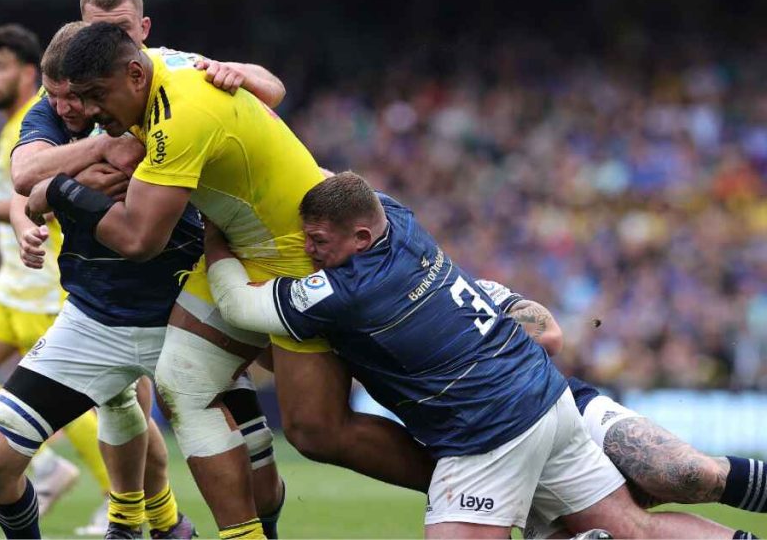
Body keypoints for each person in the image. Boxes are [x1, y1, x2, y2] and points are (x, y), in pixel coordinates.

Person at [40, 22, 438, 540]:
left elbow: (140, 239)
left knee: (315, 432)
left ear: (135, 73)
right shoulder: (161, 72)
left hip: (298, 258)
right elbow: (269, 90)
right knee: (182, 382)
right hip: (239, 248)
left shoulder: (180, 116)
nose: (91, 112)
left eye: (97, 96)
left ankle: (465, 485)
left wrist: (63, 192)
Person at [203, 171, 754, 539]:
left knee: (680, 476)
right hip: (547, 402)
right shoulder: (399, 217)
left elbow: (237, 304)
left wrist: (217, 233)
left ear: (363, 237)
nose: (307, 250)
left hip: (486, 431)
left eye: (319, 241)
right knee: (634, 528)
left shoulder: (349, 291)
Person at [0, 0, 285, 539]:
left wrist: (62, 187)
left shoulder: (175, 82)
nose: (105, 45)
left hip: (189, 309)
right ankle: (138, 522)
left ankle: (151, 523)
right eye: (94, 31)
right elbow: (25, 174)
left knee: (258, 474)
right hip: (95, 313)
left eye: (118, 31)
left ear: (142, 32)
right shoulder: (60, 99)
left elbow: (269, 89)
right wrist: (95, 155)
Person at [0, 24, 110, 520]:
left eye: (0, 67)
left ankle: (118, 499)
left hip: (43, 283)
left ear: (29, 73)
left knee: (68, 403)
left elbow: (46, 203)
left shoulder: (36, 129)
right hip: (9, 283)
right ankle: (48, 467)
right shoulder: (14, 125)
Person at [473, 279, 767, 537]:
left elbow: (549, 333)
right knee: (623, 530)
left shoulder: (466, 290)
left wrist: (486, 336)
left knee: (687, 471)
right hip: (483, 454)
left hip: (557, 402)